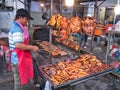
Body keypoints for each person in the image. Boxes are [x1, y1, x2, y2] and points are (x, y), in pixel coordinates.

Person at [8, 8, 39, 90]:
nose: (27, 21)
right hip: (18, 60)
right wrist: (33, 47)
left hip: (21, 58)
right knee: (19, 81)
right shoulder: (17, 28)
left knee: (24, 79)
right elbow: (18, 45)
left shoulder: (19, 26)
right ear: (20, 17)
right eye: (26, 19)